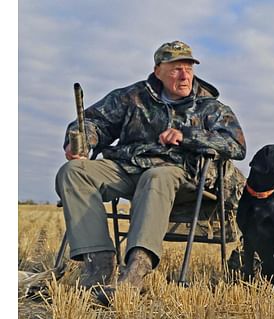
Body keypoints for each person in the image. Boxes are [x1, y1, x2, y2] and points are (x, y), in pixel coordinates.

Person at [55, 40, 246, 296]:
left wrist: (186, 135)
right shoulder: (131, 97)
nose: (184, 74)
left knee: (157, 176)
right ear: (158, 71)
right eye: (176, 68)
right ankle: (98, 265)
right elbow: (93, 122)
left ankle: (135, 272)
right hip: (129, 167)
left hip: (180, 176)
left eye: (188, 68)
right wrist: (80, 140)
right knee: (73, 172)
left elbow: (236, 145)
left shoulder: (210, 107)